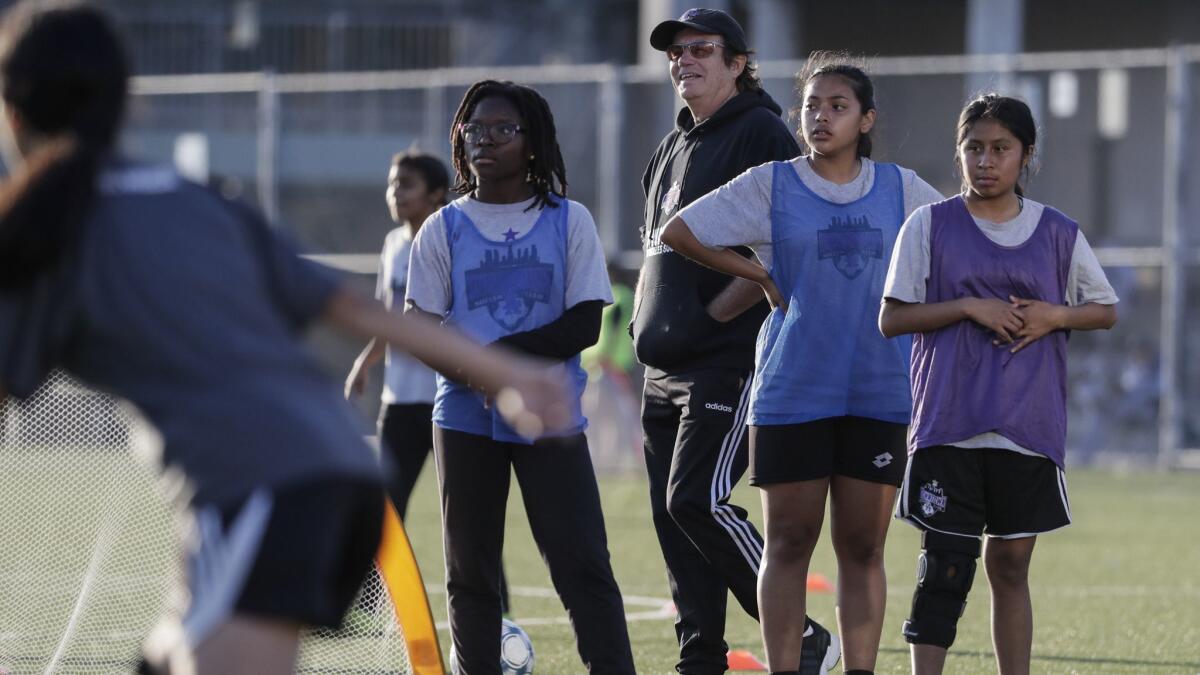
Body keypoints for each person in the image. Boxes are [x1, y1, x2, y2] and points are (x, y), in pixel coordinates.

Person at [0, 5, 568, 675]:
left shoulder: (40, 232)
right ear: (127, 100)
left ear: (12, 111)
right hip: (335, 477)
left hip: (272, 494)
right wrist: (508, 373)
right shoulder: (195, 199)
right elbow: (350, 304)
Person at [661, 55, 944, 675]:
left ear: (866, 119)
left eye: (838, 106)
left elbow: (952, 247)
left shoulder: (902, 189)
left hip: (879, 390)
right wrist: (758, 272)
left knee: (863, 548)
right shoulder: (773, 183)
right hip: (791, 391)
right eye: (812, 105)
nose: (820, 117)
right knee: (788, 545)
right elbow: (679, 231)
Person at [878, 94, 1118, 675]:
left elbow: (1103, 308)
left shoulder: (1057, 232)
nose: (985, 161)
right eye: (974, 148)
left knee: (1010, 567)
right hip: (949, 424)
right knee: (945, 567)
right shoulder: (929, 225)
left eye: (1000, 149)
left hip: (1025, 428)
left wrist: (1054, 315)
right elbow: (892, 318)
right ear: (959, 154)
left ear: (1026, 155)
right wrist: (968, 307)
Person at [405, 79, 635, 675]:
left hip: (550, 414)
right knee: (471, 573)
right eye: (474, 130)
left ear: (531, 143)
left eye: (503, 130)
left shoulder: (568, 221)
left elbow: (585, 322)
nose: (486, 140)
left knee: (582, 565)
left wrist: (499, 361)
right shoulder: (443, 227)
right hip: (463, 417)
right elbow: (420, 325)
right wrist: (476, 375)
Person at [632, 8, 837, 675]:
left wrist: (719, 314)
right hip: (661, 366)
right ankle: (701, 657)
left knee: (696, 498)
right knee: (675, 517)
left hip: (723, 360)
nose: (684, 61)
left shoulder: (760, 131)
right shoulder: (674, 143)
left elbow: (786, 243)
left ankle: (802, 635)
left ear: (738, 62)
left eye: (702, 50)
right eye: (675, 52)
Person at [345, 151, 448, 520]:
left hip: (447, 399)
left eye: (407, 184)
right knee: (385, 512)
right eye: (392, 184)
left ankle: (491, 583)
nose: (396, 193)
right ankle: (381, 583)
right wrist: (364, 362)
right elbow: (388, 316)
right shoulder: (393, 244)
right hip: (400, 400)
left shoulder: (450, 240)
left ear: (436, 194)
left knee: (467, 516)